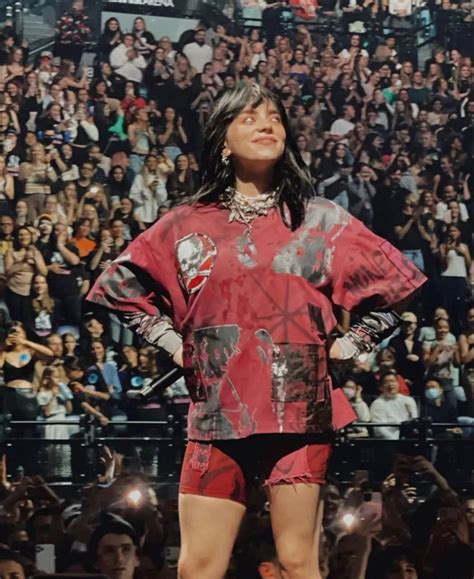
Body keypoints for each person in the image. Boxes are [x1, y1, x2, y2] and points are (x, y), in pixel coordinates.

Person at [88, 85, 425, 578]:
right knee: (198, 566)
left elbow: (402, 285)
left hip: (300, 414)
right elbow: (118, 285)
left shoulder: (319, 219)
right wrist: (169, 340)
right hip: (216, 413)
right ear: (223, 139)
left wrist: (356, 340)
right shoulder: (185, 224)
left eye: (274, 117)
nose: (267, 124)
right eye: (249, 117)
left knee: (297, 563)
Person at [370, 371, 418, 440]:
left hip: (409, 440)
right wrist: (395, 441)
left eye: (393, 381)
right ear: (380, 387)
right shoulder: (377, 404)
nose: (390, 384)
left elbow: (414, 421)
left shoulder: (409, 400)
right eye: (386, 382)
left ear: (398, 384)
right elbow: (379, 429)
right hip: (388, 442)